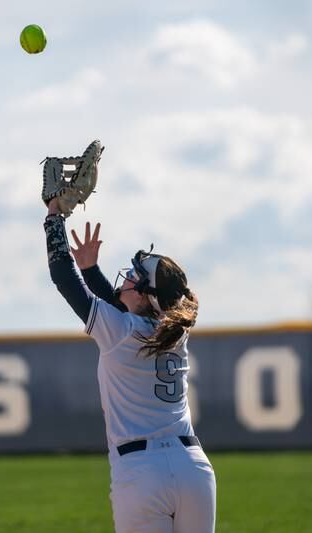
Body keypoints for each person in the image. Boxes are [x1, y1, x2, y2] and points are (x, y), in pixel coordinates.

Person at [43, 198, 216, 532]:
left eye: (133, 276)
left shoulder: (122, 332)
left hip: (140, 471)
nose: (125, 278)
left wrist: (53, 216)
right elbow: (123, 311)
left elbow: (63, 277)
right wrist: (92, 271)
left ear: (144, 294)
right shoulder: (175, 332)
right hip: (193, 468)